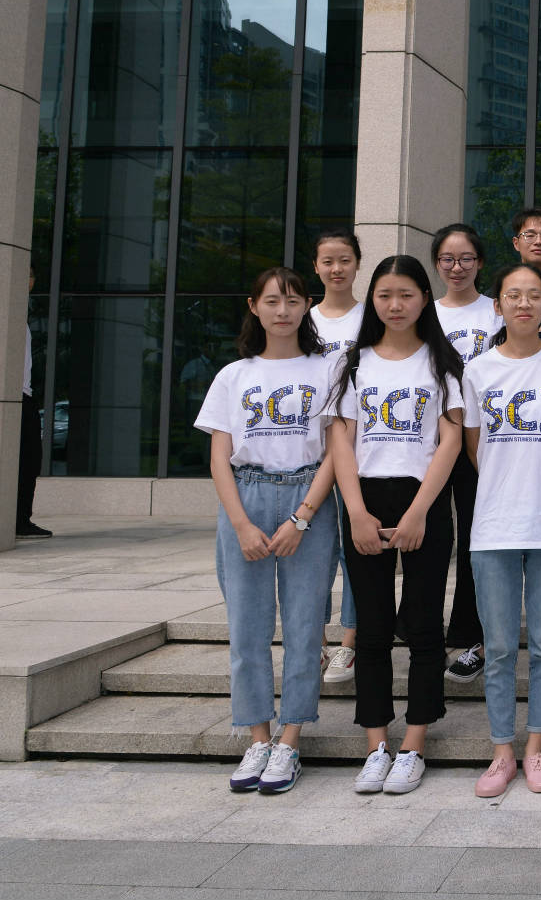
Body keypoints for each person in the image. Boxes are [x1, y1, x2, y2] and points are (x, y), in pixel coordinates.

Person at [197, 267, 339, 794]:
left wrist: (302, 517)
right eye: (273, 301)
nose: (283, 311)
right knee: (247, 629)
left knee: (304, 626)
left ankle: (290, 739)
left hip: (308, 497)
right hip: (247, 496)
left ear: (307, 307)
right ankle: (257, 737)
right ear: (254, 306)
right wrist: (241, 524)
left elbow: (336, 451)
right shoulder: (233, 375)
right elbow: (219, 458)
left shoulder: (327, 369)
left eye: (293, 301)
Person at [329, 255, 465, 796]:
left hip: (422, 499)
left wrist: (418, 513)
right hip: (365, 498)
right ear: (374, 301)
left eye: (406, 294)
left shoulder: (441, 362)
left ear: (424, 299)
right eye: (385, 295)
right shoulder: (354, 363)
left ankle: (413, 744)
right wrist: (356, 512)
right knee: (373, 628)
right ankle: (376, 745)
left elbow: (450, 441)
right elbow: (342, 441)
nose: (395, 305)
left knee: (425, 625)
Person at [462, 264, 541, 797]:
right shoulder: (477, 370)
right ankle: (501, 751)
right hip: (493, 521)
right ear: (498, 305)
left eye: (534, 295)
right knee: (497, 646)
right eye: (513, 295)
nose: (523, 303)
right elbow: (475, 447)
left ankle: (536, 745)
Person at [431, 223, 502, 684]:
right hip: (432, 439)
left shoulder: (495, 312)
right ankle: (426, 632)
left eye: (466, 259)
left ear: (479, 262)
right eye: (448, 259)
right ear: (437, 264)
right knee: (435, 537)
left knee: (478, 535)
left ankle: (472, 637)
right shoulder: (426, 312)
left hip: (482, 436)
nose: (457, 267)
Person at [309, 227, 363, 684]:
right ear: (316, 266)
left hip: (355, 445)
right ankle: (315, 642)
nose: (336, 268)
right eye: (328, 261)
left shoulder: (369, 320)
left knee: (352, 549)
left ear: (357, 264)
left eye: (344, 259)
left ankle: (349, 643)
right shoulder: (303, 320)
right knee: (313, 548)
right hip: (306, 446)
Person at [15, 266, 47, 540]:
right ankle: (18, 521)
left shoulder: (20, 315)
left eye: (31, 275)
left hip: (24, 396)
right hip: (14, 397)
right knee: (26, 461)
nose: (30, 280)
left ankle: (20, 519)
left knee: (30, 461)